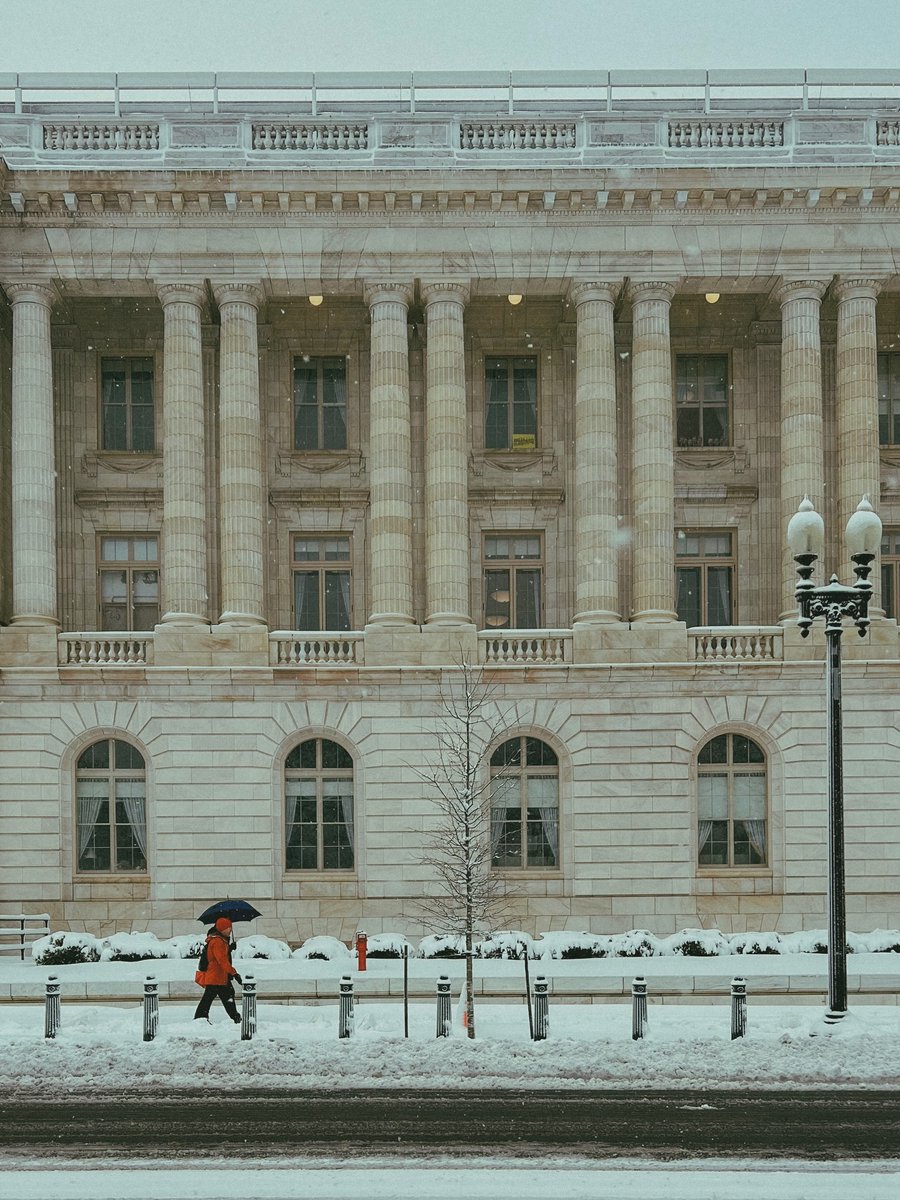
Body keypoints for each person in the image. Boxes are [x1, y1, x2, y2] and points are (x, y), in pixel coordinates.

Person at [193, 916, 243, 1024]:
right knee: (215, 998)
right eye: (228, 928)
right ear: (222, 929)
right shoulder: (217, 942)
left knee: (224, 996)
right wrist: (234, 973)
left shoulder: (220, 940)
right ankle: (200, 1019)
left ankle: (234, 1018)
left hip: (219, 977)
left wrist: (230, 948)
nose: (230, 930)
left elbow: (219, 956)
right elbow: (222, 961)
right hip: (216, 977)